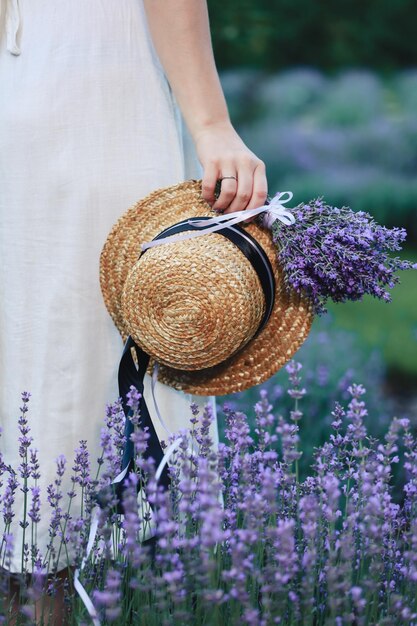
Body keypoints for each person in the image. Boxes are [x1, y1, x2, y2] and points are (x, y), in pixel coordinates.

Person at [0, 0, 267, 622]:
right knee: (73, 368)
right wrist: (211, 124)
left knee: (33, 352)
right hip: (93, 86)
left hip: (29, 77)